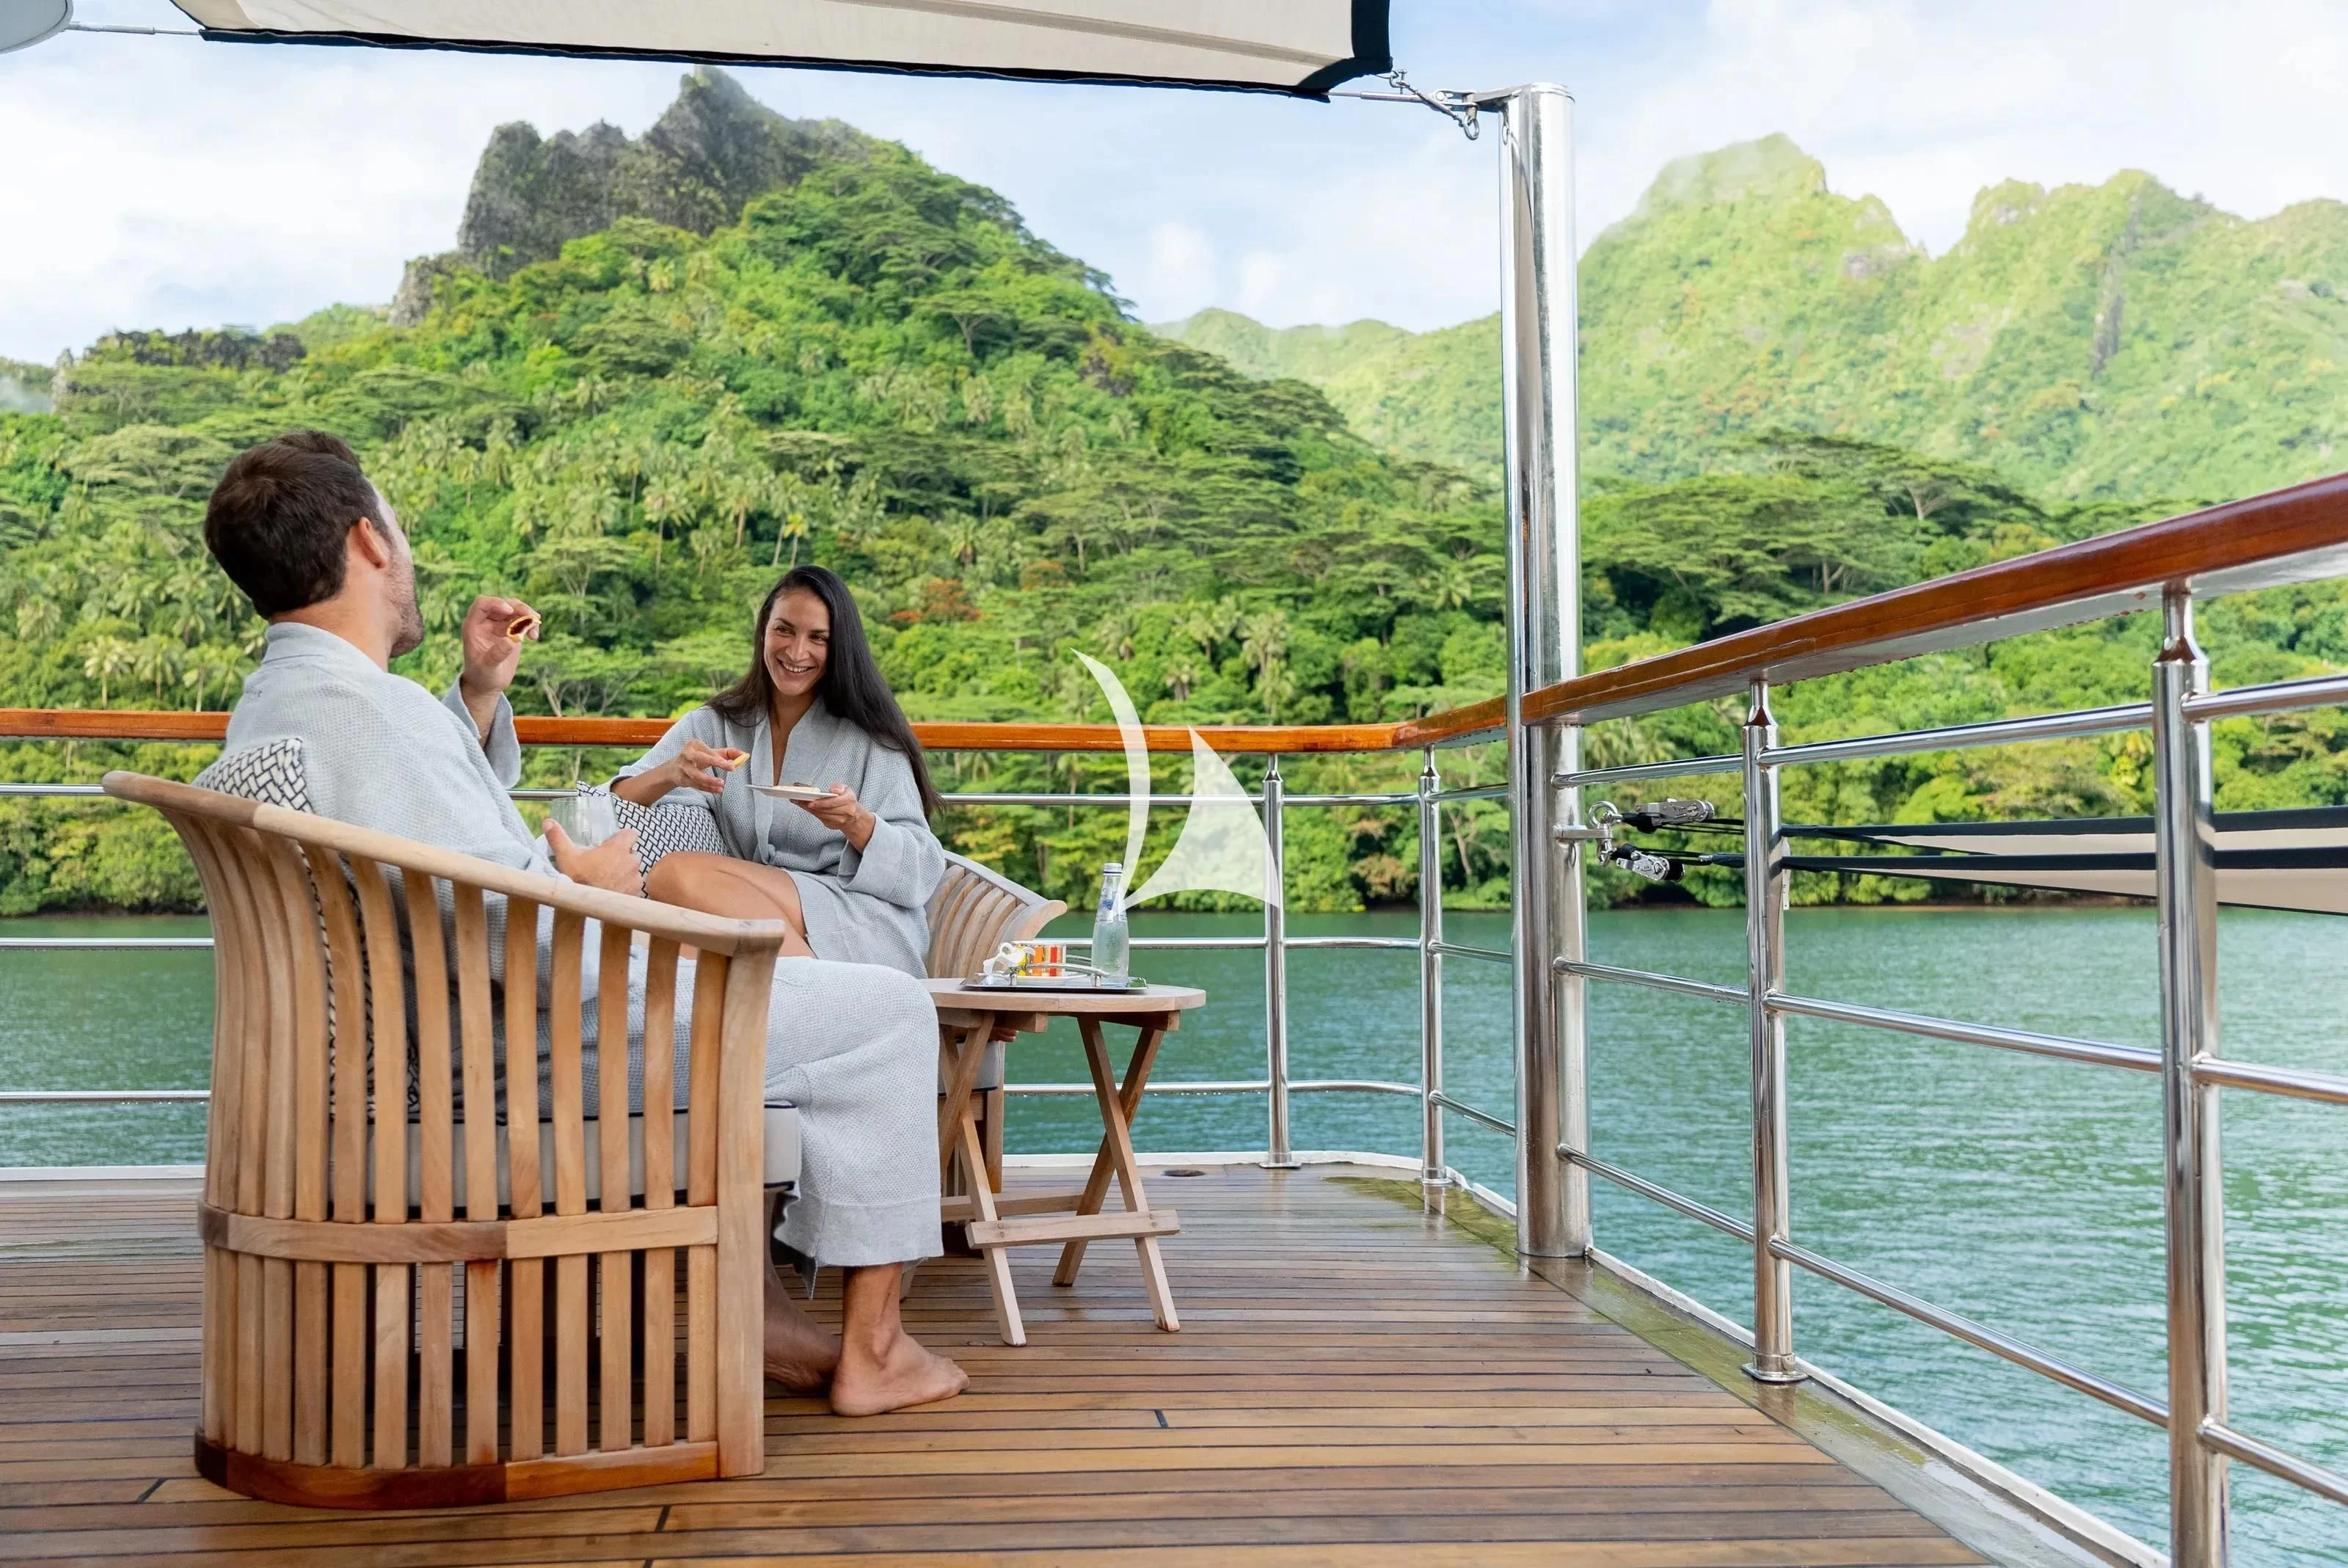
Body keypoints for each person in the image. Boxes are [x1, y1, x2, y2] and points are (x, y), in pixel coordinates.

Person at [200, 431, 964, 1417]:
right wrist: (601, 886)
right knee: (893, 1014)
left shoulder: (292, 701)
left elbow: (429, 832)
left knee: (798, 981)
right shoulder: (374, 716)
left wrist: (477, 693)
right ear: (368, 543)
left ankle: (765, 1307)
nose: (409, 545)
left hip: (471, 1028)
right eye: (397, 522)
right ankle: (878, 1350)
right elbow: (528, 932)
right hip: (544, 1041)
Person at [613, 567, 947, 977]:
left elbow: (923, 870)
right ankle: (799, 1009)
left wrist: (857, 823)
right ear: (763, 631)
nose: (796, 651)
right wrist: (670, 773)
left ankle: (821, 998)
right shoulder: (713, 725)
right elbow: (613, 808)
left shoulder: (870, 739)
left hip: (852, 921)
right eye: (784, 630)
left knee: (675, 875)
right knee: (663, 951)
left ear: (840, 647)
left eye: (818, 638)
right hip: (741, 919)